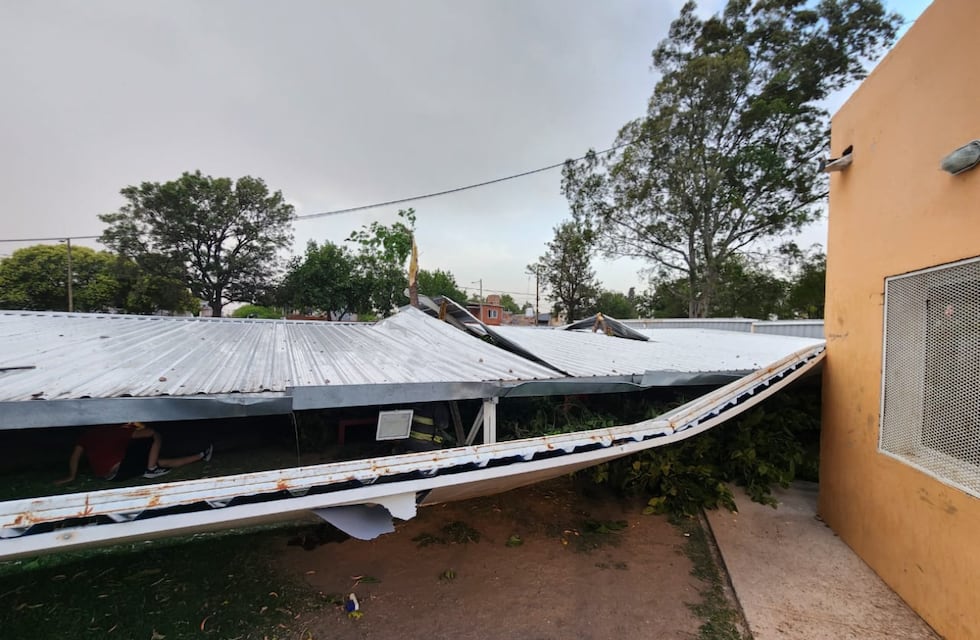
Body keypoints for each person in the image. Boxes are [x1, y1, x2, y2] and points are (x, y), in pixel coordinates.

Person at [55, 421, 212, 484]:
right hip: (121, 470)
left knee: (158, 460)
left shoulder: (87, 435)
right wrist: (136, 426)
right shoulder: (115, 429)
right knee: (153, 435)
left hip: (108, 477)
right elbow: (149, 433)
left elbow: (75, 457)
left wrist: (71, 476)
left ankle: (202, 455)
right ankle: (152, 470)